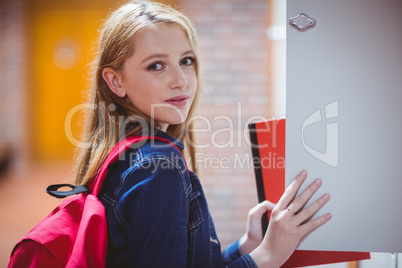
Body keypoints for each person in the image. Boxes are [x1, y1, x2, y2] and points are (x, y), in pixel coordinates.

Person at [74, 0, 332, 267]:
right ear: (115, 81)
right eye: (156, 66)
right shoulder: (157, 167)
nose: (181, 80)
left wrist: (246, 246)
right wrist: (268, 255)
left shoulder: (121, 153)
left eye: (186, 61)